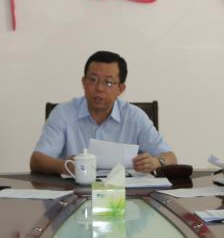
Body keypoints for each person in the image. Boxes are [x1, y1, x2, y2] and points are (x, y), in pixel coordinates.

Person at [30, 50, 177, 174]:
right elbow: (37, 160)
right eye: (93, 79)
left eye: (108, 82)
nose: (99, 88)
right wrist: (68, 167)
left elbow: (171, 157)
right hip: (74, 192)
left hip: (125, 194)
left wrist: (156, 162)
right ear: (84, 82)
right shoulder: (63, 113)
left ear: (121, 89)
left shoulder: (135, 117)